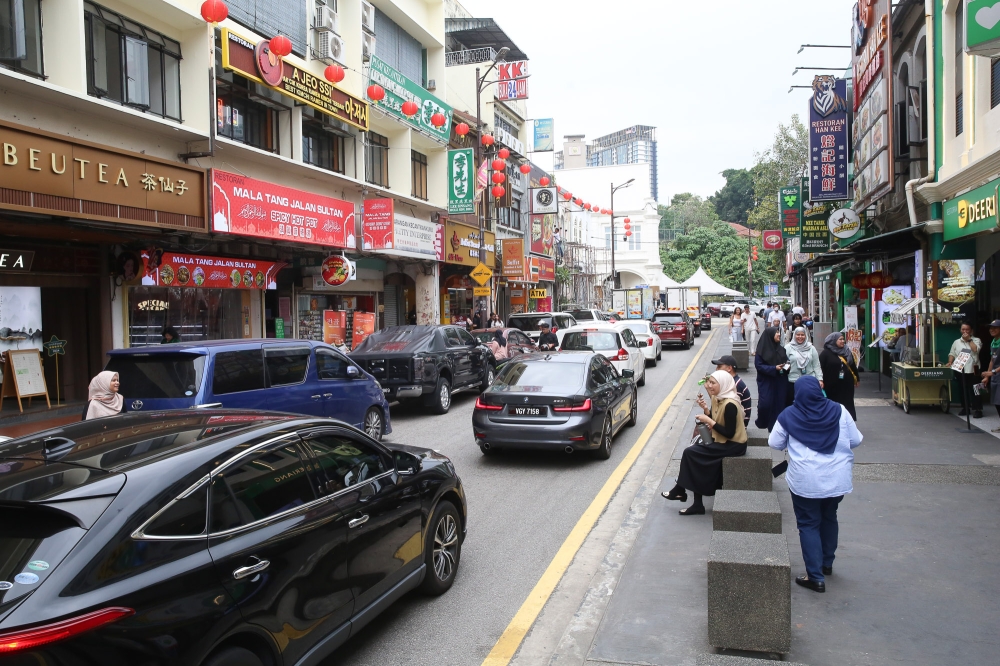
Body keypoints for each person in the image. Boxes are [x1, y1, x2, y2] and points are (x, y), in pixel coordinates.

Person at [769, 375, 863, 593]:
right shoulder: (839, 410)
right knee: (830, 517)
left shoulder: (789, 415)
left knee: (808, 524)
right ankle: (826, 563)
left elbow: (774, 442)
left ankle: (815, 576)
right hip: (837, 478)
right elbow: (856, 440)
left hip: (805, 481)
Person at [661, 370, 748, 515]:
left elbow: (729, 433)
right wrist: (706, 410)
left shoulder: (730, 405)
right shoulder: (720, 398)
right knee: (693, 451)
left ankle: (682, 491)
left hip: (734, 445)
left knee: (691, 453)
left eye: (713, 383)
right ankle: (688, 496)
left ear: (724, 384)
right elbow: (717, 417)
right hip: (724, 441)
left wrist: (708, 421)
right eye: (709, 383)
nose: (709, 386)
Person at [755, 326, 790, 431]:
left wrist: (787, 366)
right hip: (766, 381)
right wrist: (773, 368)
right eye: (776, 333)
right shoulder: (761, 351)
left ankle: (776, 427)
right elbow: (759, 366)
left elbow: (786, 360)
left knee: (779, 404)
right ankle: (762, 421)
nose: (779, 334)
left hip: (780, 380)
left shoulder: (781, 349)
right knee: (765, 404)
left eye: (779, 332)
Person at [820, 332, 860, 420]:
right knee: (833, 403)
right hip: (831, 385)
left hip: (846, 384)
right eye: (840, 339)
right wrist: (820, 380)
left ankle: (848, 421)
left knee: (847, 403)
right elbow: (820, 368)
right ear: (833, 341)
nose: (843, 341)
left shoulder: (846, 351)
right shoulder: (825, 353)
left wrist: (857, 379)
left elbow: (852, 365)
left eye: (843, 339)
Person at [948, 322, 983, 418]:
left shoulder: (976, 340)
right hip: (960, 369)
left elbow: (975, 350)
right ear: (960, 330)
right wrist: (950, 361)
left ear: (971, 330)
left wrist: (969, 340)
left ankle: (978, 409)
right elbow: (952, 353)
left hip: (973, 369)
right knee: (962, 389)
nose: (965, 331)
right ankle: (965, 408)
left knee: (975, 389)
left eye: (967, 329)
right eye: (963, 329)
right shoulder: (956, 342)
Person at [784, 326, 823, 406]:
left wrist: (820, 379)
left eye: (802, 335)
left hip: (809, 381)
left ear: (806, 336)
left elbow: (816, 365)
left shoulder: (811, 348)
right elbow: (783, 364)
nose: (800, 337)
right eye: (798, 335)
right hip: (792, 381)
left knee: (809, 405)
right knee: (792, 405)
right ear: (794, 335)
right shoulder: (788, 348)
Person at [713, 354, 751, 426]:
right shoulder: (730, 381)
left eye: (719, 366)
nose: (716, 369)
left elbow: (729, 408)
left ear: (729, 368)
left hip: (738, 426)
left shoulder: (735, 384)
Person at [979, 319, 1000, 432]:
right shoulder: (993, 342)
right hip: (995, 377)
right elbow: (992, 360)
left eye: (995, 327)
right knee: (996, 402)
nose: (992, 329)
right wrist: (987, 376)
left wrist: (993, 372)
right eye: (991, 327)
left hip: (997, 374)